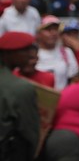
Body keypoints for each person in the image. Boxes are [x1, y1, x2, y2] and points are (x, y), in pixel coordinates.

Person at [0, 31, 41, 161]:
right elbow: (30, 132)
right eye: (25, 50)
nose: (30, 55)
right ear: (8, 53)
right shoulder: (20, 88)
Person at [36, 15, 79, 90]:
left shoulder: (67, 52)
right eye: (48, 29)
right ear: (39, 34)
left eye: (56, 29)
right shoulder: (33, 54)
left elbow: (74, 79)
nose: (53, 33)